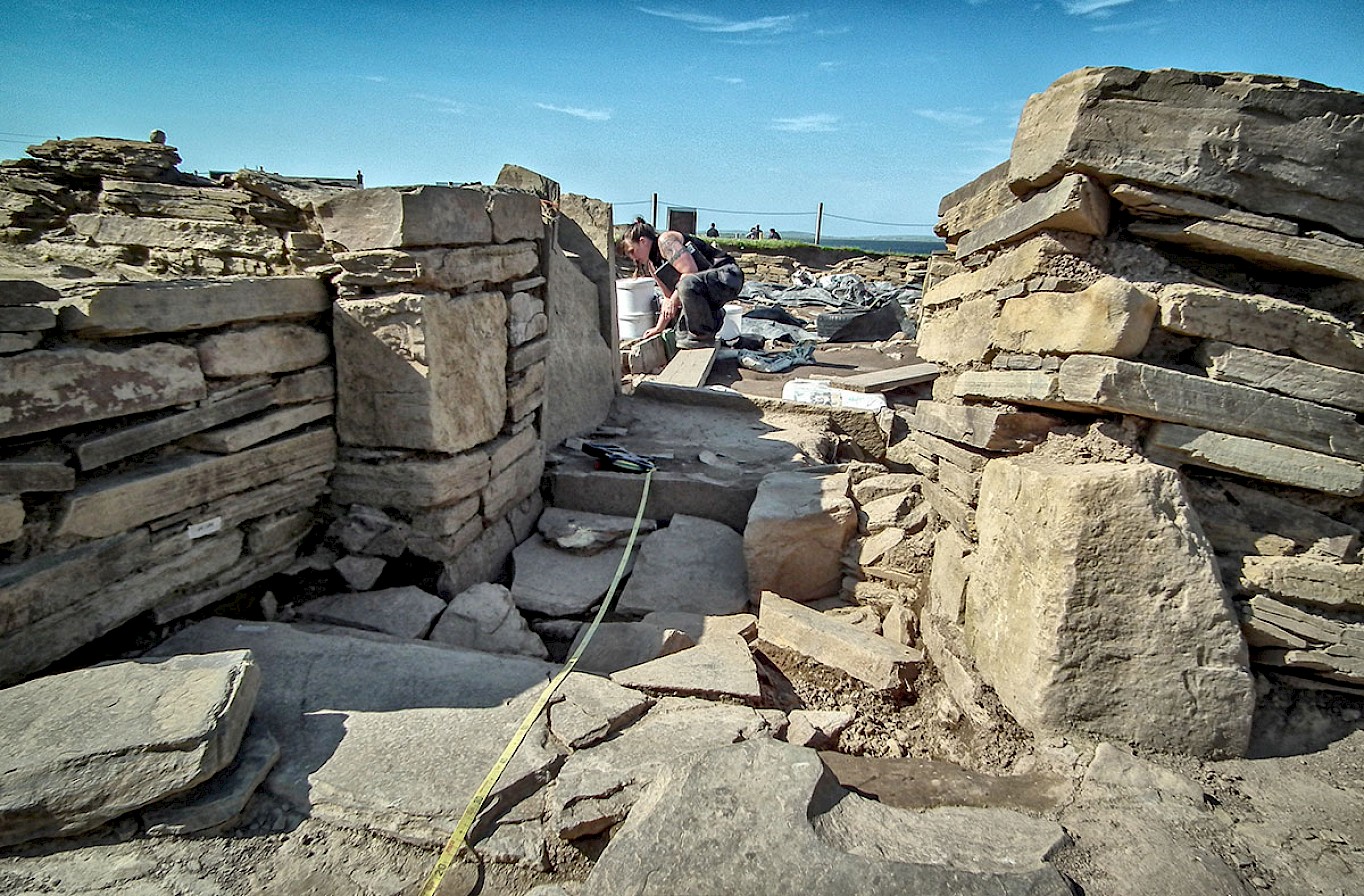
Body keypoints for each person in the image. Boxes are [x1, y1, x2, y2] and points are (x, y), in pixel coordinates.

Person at [617, 216, 744, 348]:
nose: (633, 258)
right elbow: (669, 298)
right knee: (681, 329)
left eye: (632, 251)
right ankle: (713, 318)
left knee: (686, 284)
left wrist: (672, 300)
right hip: (706, 284)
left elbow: (690, 271)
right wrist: (658, 328)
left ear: (642, 241)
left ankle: (702, 336)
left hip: (728, 276)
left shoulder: (666, 241)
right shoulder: (653, 266)